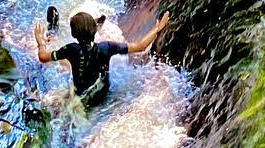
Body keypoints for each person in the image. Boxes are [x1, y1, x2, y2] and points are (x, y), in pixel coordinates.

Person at [34, 9, 170, 107]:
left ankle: (52, 33)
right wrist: (157, 28)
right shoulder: (107, 47)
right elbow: (140, 46)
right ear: (94, 31)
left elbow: (43, 57)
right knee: (73, 62)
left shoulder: (70, 49)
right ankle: (90, 26)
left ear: (74, 34)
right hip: (102, 95)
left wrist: (41, 42)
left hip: (81, 99)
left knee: (64, 62)